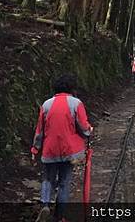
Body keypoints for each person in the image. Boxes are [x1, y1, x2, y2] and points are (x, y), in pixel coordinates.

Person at [31, 74, 93, 222]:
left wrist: (35, 149)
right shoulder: (76, 103)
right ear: (72, 88)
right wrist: (89, 130)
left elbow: (40, 130)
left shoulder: (46, 105)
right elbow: (84, 127)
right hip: (69, 151)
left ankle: (45, 204)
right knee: (65, 182)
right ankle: (60, 215)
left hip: (49, 149)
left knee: (47, 178)